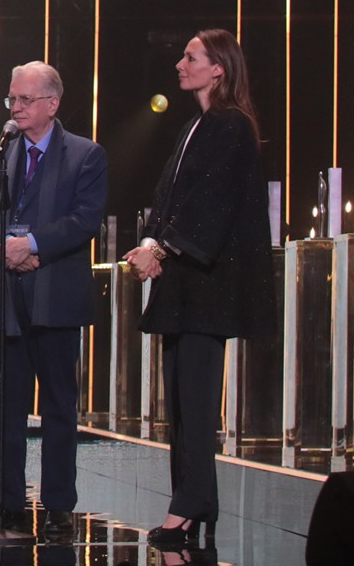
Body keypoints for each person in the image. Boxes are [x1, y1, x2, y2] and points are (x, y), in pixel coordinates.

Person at [122, 29, 274, 549]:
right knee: (182, 405)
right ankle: (195, 500)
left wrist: (161, 251)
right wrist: (148, 241)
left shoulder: (231, 125)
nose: (180, 64)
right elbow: (168, 198)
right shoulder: (197, 126)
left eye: (191, 57)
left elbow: (213, 205)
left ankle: (187, 506)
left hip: (208, 288)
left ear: (218, 68)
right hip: (185, 287)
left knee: (196, 399)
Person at [0, 61, 107, 536]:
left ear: (52, 103)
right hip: (4, 298)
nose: (16, 108)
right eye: (12, 99)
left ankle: (59, 508)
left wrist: (33, 245)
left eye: (25, 100)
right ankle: (5, 506)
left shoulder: (85, 155)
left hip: (55, 299)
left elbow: (84, 220)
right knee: (5, 409)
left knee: (59, 408)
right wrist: (5, 246)